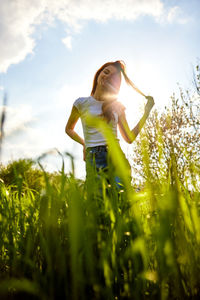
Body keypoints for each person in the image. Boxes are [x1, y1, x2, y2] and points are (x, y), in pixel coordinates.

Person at [65, 60, 154, 189]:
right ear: (98, 74)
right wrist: (84, 143)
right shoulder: (81, 103)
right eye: (105, 72)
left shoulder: (117, 106)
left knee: (120, 203)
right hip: (94, 158)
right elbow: (69, 129)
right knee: (98, 204)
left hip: (116, 157)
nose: (107, 76)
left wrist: (146, 113)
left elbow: (129, 138)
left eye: (112, 77)